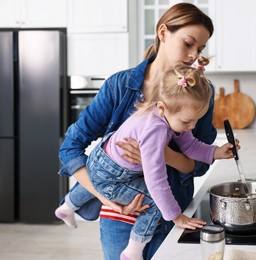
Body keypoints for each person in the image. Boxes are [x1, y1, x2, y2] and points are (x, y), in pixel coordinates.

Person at [58, 3, 221, 260]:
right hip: (119, 219)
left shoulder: (199, 92)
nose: (193, 56)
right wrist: (106, 197)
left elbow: (198, 166)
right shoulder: (119, 86)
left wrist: (161, 154)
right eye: (188, 44)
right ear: (163, 32)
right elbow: (70, 147)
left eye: (199, 49)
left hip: (174, 217)